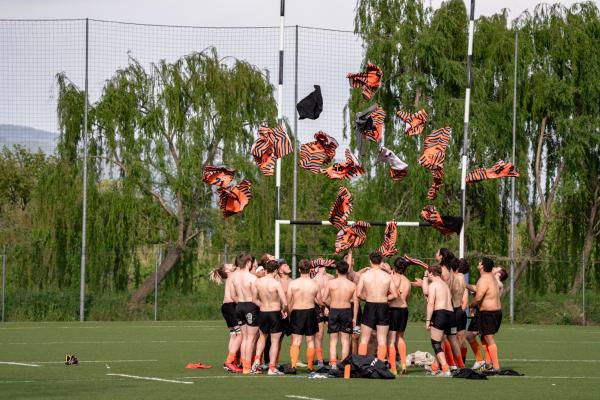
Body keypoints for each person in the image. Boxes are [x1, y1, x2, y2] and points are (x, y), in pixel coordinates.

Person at [356, 251, 398, 361]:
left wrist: (367, 298)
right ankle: (380, 364)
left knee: (364, 339)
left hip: (370, 305)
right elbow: (395, 294)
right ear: (381, 261)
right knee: (382, 339)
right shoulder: (387, 276)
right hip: (383, 306)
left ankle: (361, 364)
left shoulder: (364, 275)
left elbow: (358, 293)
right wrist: (385, 298)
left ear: (370, 261)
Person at [252, 260, 288, 375]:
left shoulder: (258, 282)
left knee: (262, 338)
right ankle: (271, 367)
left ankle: (257, 361)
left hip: (263, 312)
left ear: (266, 269)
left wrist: (262, 305)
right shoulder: (276, 283)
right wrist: (283, 310)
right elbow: (285, 302)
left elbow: (254, 299)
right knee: (275, 341)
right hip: (274, 313)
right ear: (276, 270)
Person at [322, 260, 358, 370]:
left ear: (337, 271)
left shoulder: (331, 283)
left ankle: (333, 364)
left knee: (333, 340)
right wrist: (354, 318)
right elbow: (356, 302)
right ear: (347, 271)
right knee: (345, 340)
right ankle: (343, 364)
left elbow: (324, 299)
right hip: (346, 311)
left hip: (334, 310)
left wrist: (331, 306)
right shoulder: (352, 285)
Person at [287, 259, 323, 371]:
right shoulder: (314, 284)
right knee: (310, 340)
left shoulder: (293, 283)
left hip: (297, 312)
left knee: (296, 340)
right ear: (310, 270)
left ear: (299, 270)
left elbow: (288, 302)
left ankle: (293, 365)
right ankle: (310, 366)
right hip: (310, 312)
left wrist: (288, 314)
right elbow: (320, 301)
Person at [469, 257, 503, 372]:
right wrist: (465, 284)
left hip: (489, 313)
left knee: (489, 338)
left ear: (483, 266)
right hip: (492, 312)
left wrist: (470, 305)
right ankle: (488, 363)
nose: (478, 263)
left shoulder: (484, 279)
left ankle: (496, 367)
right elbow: (479, 289)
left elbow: (478, 298)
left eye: (480, 262)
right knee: (483, 336)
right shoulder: (490, 277)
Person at [229, 252, 260, 374]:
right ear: (248, 263)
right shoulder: (252, 278)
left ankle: (243, 365)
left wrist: (241, 303)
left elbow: (233, 295)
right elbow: (255, 297)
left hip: (239, 306)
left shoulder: (234, 278)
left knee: (245, 337)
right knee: (251, 338)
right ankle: (247, 366)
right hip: (250, 307)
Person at [210, 263, 242, 373]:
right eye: (228, 265)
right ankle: (229, 361)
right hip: (231, 307)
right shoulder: (233, 275)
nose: (231, 264)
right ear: (227, 271)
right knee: (240, 334)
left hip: (226, 307)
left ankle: (232, 362)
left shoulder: (230, 277)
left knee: (233, 335)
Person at [425, 264, 455, 377]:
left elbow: (431, 303)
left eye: (428, 273)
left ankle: (446, 368)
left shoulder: (433, 285)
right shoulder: (445, 285)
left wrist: (428, 320)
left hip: (440, 313)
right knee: (441, 341)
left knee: (435, 343)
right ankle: (435, 367)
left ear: (431, 273)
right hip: (450, 314)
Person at [387, 256, 411, 375]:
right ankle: (403, 363)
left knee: (391, 340)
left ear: (394, 266)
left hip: (393, 310)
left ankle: (393, 367)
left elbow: (389, 294)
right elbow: (407, 298)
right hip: (404, 309)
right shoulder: (407, 281)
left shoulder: (392, 278)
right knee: (400, 338)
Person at [312, 261, 333, 369]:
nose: (323, 267)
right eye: (320, 265)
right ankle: (320, 360)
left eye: (324, 265)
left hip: (330, 308)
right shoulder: (314, 279)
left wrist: (329, 306)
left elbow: (333, 293)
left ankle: (332, 359)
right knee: (319, 335)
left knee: (333, 335)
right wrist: (322, 306)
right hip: (318, 308)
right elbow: (314, 295)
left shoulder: (331, 277)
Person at [450, 258, 469, 366]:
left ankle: (456, 362)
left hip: (454, 310)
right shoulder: (463, 280)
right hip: (461, 312)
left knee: (453, 339)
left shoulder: (455, 278)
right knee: (461, 338)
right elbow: (465, 300)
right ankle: (462, 362)